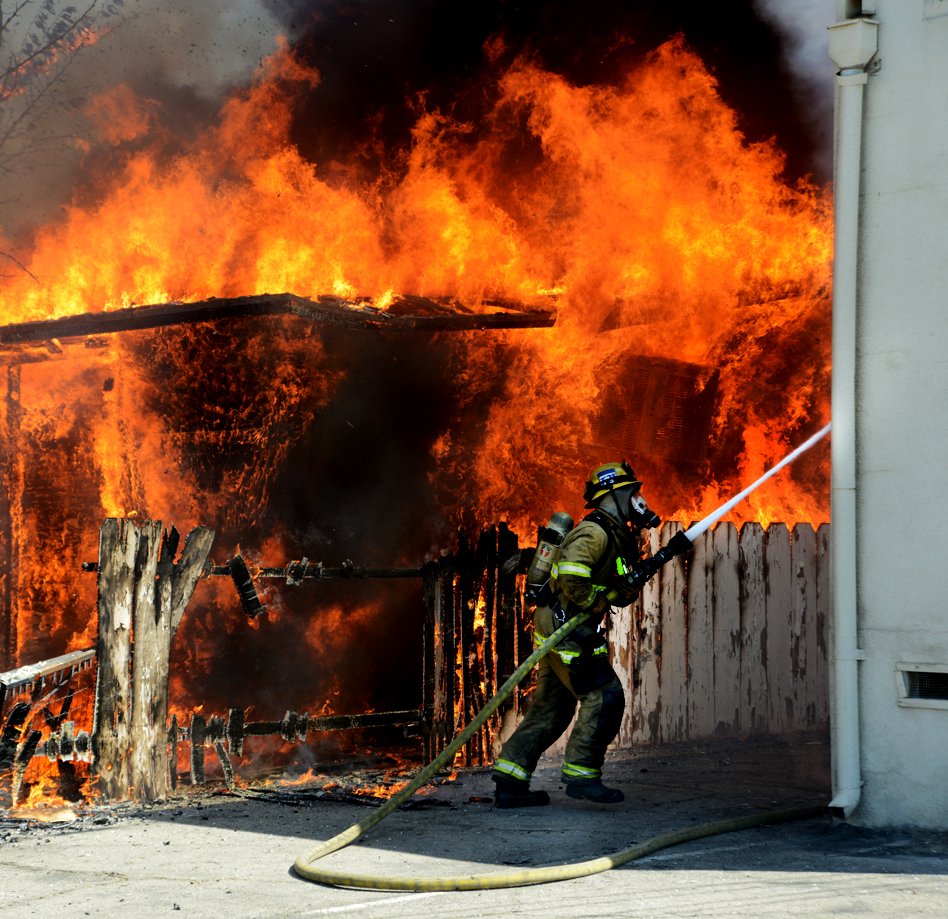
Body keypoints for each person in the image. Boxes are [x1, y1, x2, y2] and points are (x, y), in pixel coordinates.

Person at [491, 461, 692, 807]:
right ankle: (582, 775)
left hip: (560, 624)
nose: (638, 499)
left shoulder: (616, 534)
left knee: (552, 709)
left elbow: (616, 587)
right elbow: (571, 575)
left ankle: (510, 781)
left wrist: (628, 581)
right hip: (565, 626)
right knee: (605, 695)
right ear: (613, 494)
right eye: (633, 492)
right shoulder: (595, 532)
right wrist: (599, 598)